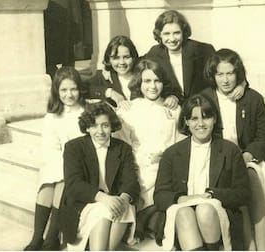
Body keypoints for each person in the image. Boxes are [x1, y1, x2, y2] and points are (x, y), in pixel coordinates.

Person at [202, 48, 265, 250]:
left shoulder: (253, 99)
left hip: (249, 156)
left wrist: (247, 155)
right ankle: (249, 244)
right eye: (220, 74)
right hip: (219, 159)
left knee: (251, 177)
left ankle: (262, 246)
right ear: (213, 75)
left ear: (238, 74)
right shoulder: (205, 98)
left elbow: (263, 137)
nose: (225, 80)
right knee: (236, 180)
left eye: (230, 73)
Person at [154, 93, 251, 251]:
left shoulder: (229, 150)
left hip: (217, 215)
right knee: (184, 213)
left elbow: (243, 193)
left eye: (206, 117)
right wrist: (182, 198)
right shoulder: (172, 153)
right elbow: (159, 196)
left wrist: (212, 194)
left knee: (204, 209)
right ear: (186, 121)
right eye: (194, 119)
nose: (200, 124)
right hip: (182, 216)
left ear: (214, 119)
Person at [113, 59, 186, 240]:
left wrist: (165, 157)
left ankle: (147, 218)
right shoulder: (130, 109)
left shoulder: (174, 109)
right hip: (138, 164)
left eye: (157, 81)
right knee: (142, 179)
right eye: (147, 81)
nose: (152, 86)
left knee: (164, 181)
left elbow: (181, 143)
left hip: (166, 165)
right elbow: (121, 145)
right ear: (139, 81)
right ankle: (150, 219)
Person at [59, 102, 140, 250]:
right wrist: (103, 198)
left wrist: (122, 199)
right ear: (87, 127)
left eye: (105, 125)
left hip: (114, 204)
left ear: (112, 126)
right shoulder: (73, 147)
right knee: (104, 211)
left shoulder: (123, 149)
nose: (100, 131)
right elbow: (74, 184)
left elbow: (131, 182)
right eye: (94, 126)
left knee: (125, 206)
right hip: (84, 204)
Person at [24, 66, 86, 250]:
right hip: (59, 162)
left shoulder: (86, 111)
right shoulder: (52, 117)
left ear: (80, 89)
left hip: (81, 165)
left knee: (62, 180)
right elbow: (50, 149)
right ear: (56, 91)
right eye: (64, 90)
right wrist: (61, 166)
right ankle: (36, 238)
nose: (69, 95)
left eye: (73, 89)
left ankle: (52, 235)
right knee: (48, 181)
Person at [145, 10, 246, 102]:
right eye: (166, 34)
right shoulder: (154, 53)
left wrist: (241, 84)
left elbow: (228, 65)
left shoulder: (202, 49)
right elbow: (134, 72)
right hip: (173, 110)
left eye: (176, 33)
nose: (172, 39)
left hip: (203, 107)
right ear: (159, 34)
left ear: (184, 32)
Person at [85, 35, 179, 110]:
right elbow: (81, 88)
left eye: (126, 57)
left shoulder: (144, 72)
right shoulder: (103, 76)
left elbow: (169, 88)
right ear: (109, 59)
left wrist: (173, 97)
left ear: (134, 57)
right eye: (116, 58)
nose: (122, 62)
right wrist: (109, 92)